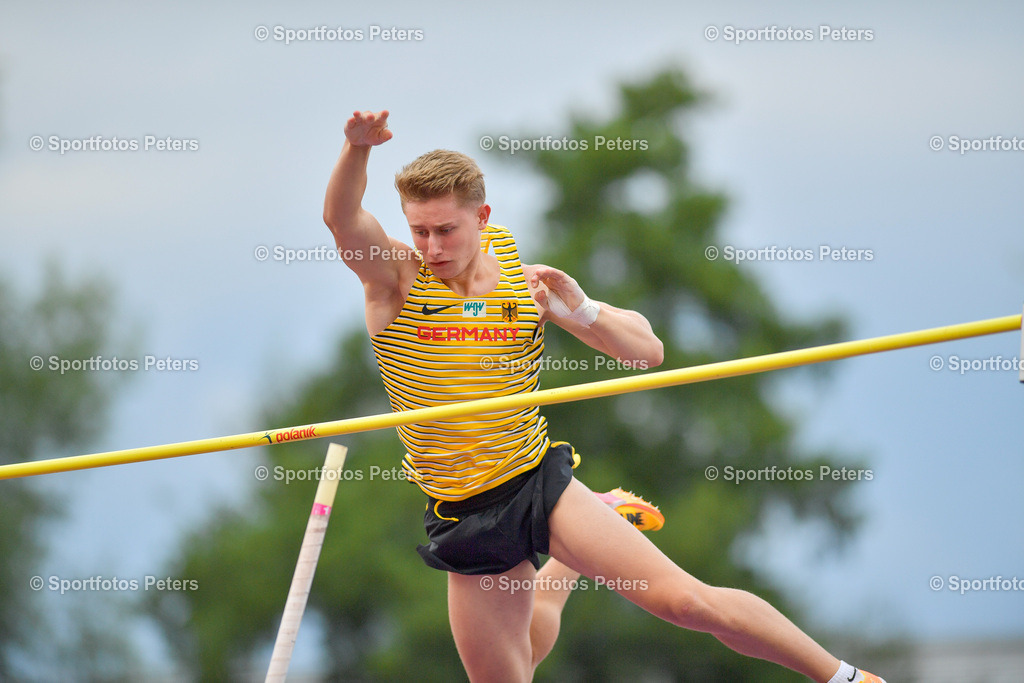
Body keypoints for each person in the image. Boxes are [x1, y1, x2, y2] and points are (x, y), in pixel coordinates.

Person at [323, 109, 886, 683]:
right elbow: (342, 220)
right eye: (420, 230)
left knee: (686, 604)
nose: (432, 245)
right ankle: (585, 543)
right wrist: (356, 149)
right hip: (463, 508)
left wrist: (583, 308)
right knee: (514, 668)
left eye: (446, 230)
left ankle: (847, 678)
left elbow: (647, 353)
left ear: (482, 216)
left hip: (533, 479)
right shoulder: (395, 276)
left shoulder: (526, 280)